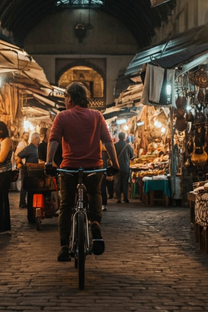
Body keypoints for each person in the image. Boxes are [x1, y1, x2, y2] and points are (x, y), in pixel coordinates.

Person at [45, 82, 119, 262]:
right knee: (94, 193)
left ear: (70, 98)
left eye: (65, 97)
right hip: (94, 167)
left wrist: (48, 162)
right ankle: (94, 223)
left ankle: (64, 246)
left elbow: (53, 140)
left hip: (69, 168)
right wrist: (115, 163)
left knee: (65, 205)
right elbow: (108, 141)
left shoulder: (62, 117)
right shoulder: (97, 116)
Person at [16, 132, 42, 221]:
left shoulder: (36, 148)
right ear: (35, 139)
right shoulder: (29, 148)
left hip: (36, 173)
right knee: (28, 191)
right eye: (38, 139)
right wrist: (22, 165)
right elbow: (18, 156)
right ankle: (30, 215)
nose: (39, 141)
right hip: (29, 174)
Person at [115, 132, 135, 203]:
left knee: (117, 182)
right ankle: (125, 197)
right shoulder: (127, 146)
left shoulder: (115, 145)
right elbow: (132, 157)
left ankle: (118, 198)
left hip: (116, 167)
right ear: (124, 137)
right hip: (125, 166)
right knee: (125, 182)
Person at [14, 131, 29, 198]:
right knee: (22, 179)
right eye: (26, 136)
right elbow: (17, 155)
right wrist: (20, 162)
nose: (27, 137)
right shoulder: (21, 144)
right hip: (22, 164)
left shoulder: (26, 143)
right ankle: (20, 191)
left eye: (28, 136)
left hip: (25, 164)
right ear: (23, 136)